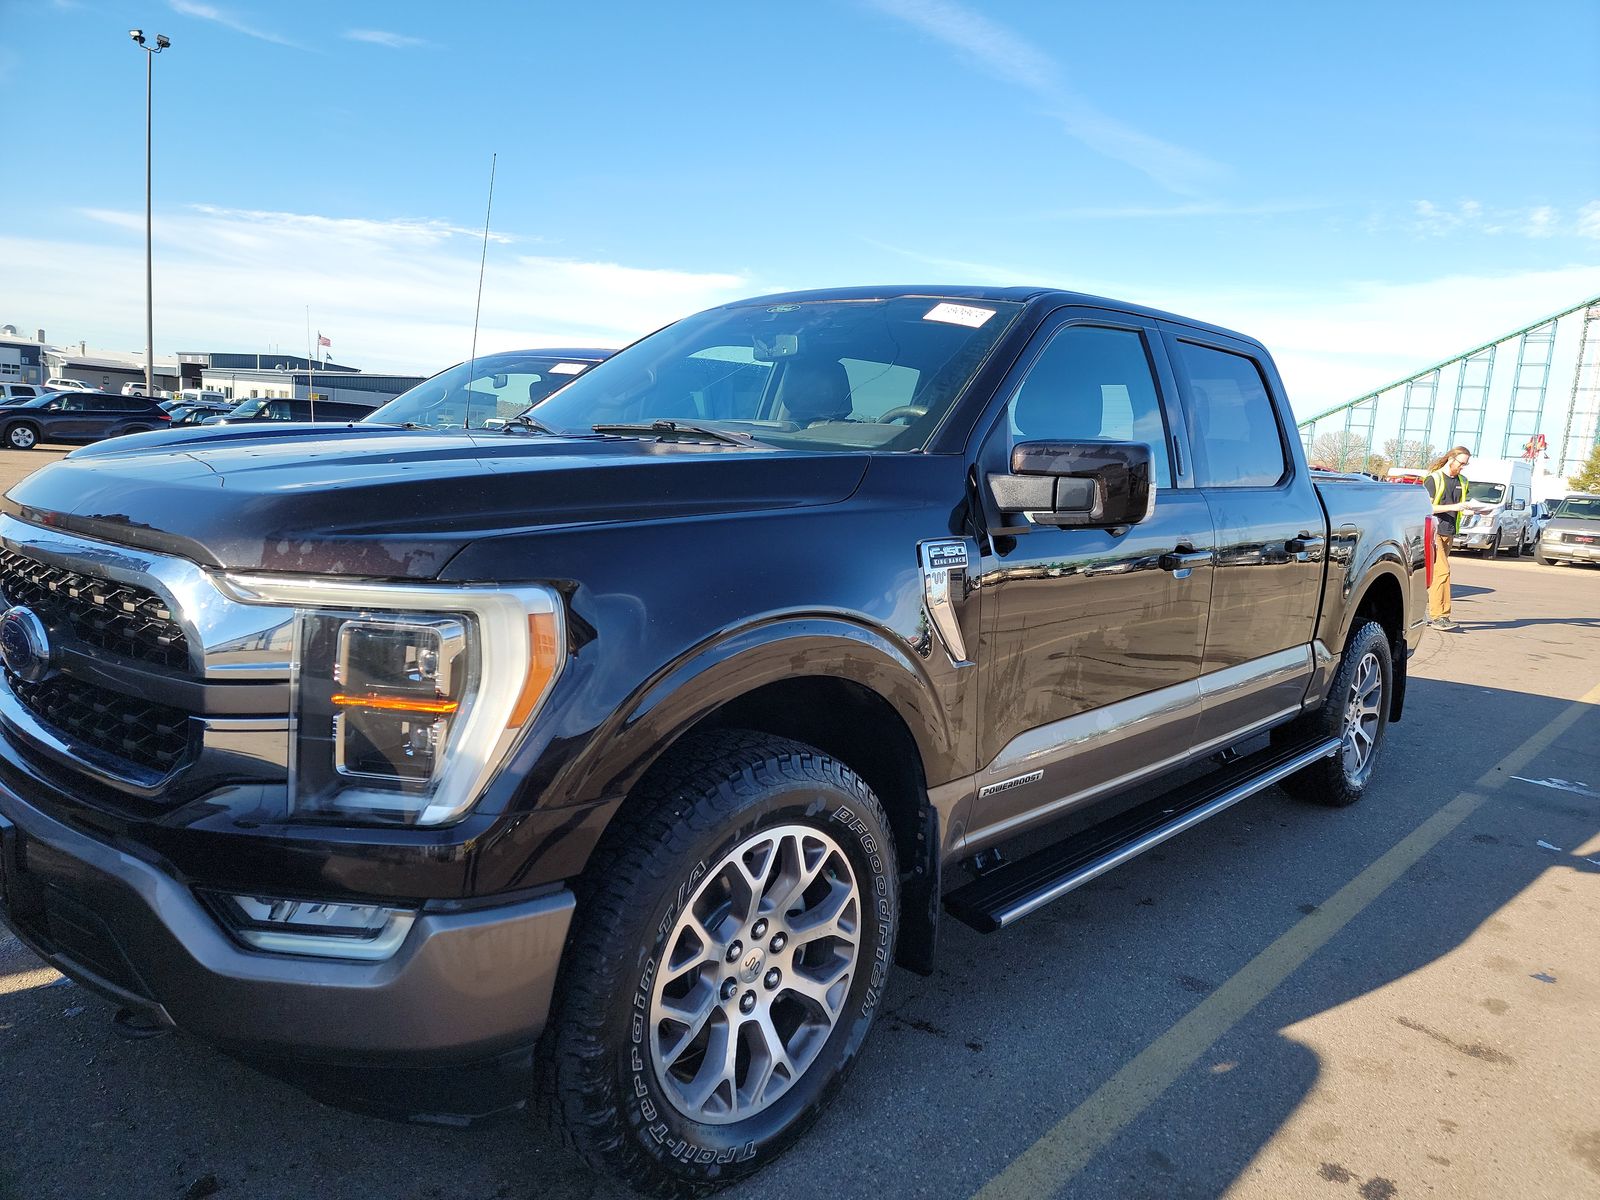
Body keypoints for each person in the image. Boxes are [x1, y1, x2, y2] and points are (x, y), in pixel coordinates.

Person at [1422, 446, 1472, 629]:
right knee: (1442, 572)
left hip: (1449, 532)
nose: (1463, 467)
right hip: (1433, 531)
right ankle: (1440, 616)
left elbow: (1460, 505)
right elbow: (1427, 508)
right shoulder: (1433, 479)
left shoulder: (1462, 481)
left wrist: (1469, 510)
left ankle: (1419, 612)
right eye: (1461, 463)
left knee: (1434, 576)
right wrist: (1456, 506)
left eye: (1466, 464)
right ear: (1451, 459)